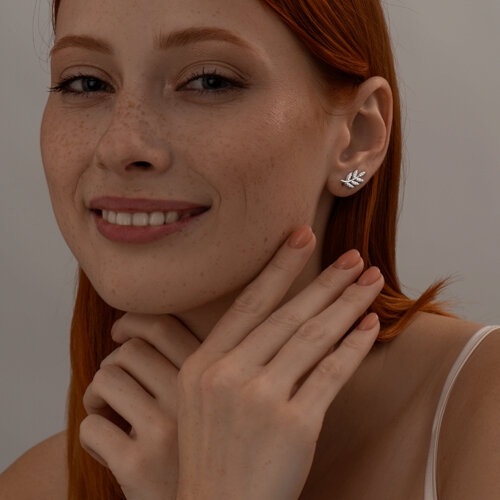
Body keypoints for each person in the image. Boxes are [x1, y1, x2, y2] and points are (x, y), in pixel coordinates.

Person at [1, 0, 499, 498]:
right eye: (86, 83)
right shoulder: (37, 487)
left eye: (209, 81)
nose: (120, 145)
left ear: (358, 139)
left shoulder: (485, 411)